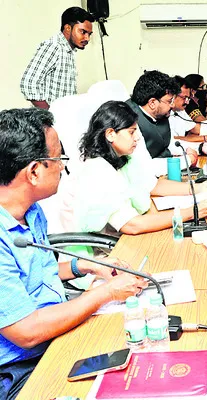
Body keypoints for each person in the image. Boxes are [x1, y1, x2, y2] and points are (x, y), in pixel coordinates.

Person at [0, 108, 147, 399]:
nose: (62, 168)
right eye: (59, 159)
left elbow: (35, 272)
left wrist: (87, 266)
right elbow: (26, 331)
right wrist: (106, 293)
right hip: (21, 369)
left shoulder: (31, 211)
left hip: (55, 335)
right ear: (34, 171)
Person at [62, 101, 207, 236]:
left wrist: (199, 188)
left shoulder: (123, 158)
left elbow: (152, 185)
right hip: (106, 250)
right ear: (110, 134)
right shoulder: (97, 170)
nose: (137, 137)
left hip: (124, 235)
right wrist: (191, 212)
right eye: (131, 132)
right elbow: (132, 225)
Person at [20, 7, 95, 109]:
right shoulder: (54, 46)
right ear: (68, 28)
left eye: (89, 34)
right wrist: (49, 115)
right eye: (83, 32)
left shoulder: (68, 50)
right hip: (51, 117)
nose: (87, 38)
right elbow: (29, 83)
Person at [125, 70, 198, 167]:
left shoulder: (159, 114)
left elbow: (168, 144)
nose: (172, 105)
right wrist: (187, 160)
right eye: (170, 101)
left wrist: (200, 148)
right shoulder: (129, 120)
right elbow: (144, 166)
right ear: (152, 103)